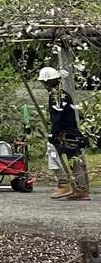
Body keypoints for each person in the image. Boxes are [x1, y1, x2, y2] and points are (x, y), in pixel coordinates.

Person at [42, 66, 90, 202]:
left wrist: (53, 133)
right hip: (72, 132)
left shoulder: (56, 96)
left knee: (53, 154)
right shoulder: (63, 95)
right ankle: (82, 189)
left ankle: (63, 183)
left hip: (63, 133)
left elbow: (57, 117)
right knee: (74, 159)